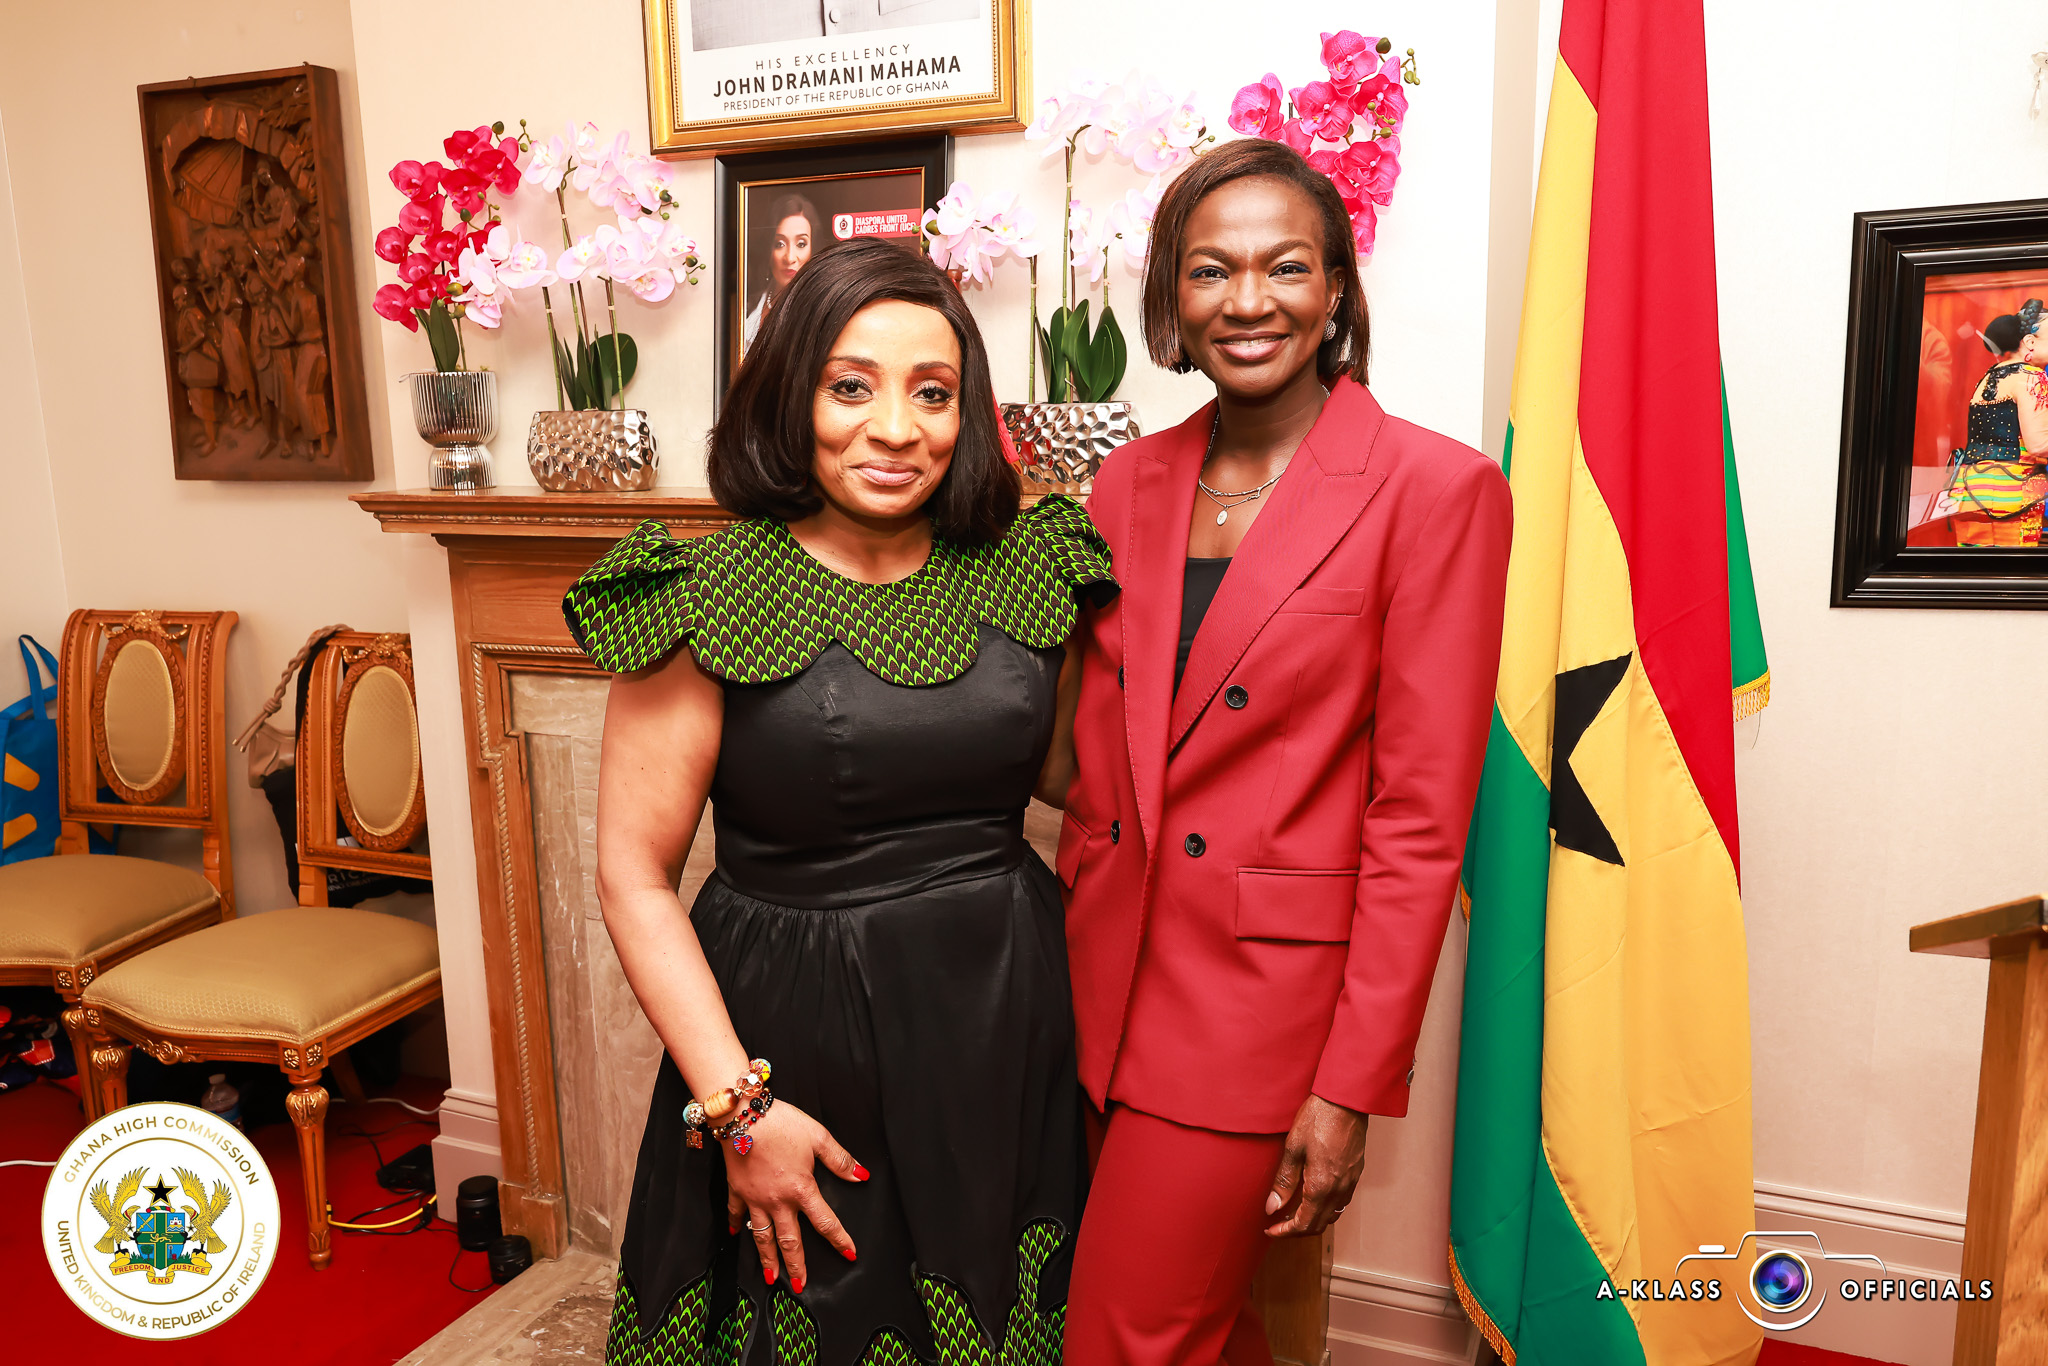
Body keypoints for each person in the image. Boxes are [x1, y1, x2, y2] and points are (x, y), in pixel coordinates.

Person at [568, 238, 1108, 1365]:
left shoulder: (1028, 564)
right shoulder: (703, 590)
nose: (897, 428)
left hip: (1006, 1017)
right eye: (851, 387)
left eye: (933, 393)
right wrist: (739, 1112)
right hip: (794, 1038)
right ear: (790, 395)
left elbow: (1074, 781)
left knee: (1007, 1314)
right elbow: (632, 875)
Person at [1050, 138, 1513, 1364]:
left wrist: (1347, 1084)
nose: (1246, 300)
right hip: (1094, 983)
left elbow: (1418, 823)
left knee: (1124, 1339)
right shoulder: (1124, 483)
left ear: (1337, 289)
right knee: (1207, 1330)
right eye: (1209, 270)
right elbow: (1099, 751)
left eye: (1285, 266)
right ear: (1171, 295)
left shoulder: (1436, 490)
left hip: (1254, 1017)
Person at [1948, 297, 2048, 546]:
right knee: (2014, 567)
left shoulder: (1989, 376)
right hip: (2014, 491)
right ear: (2030, 342)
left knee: (1975, 567)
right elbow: (2038, 445)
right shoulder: (2031, 377)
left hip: (1968, 491)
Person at [741, 192, 819, 356]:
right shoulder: (747, 305)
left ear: (813, 250)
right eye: (779, 244)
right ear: (768, 250)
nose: (790, 258)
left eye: (801, 244)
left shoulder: (819, 310)